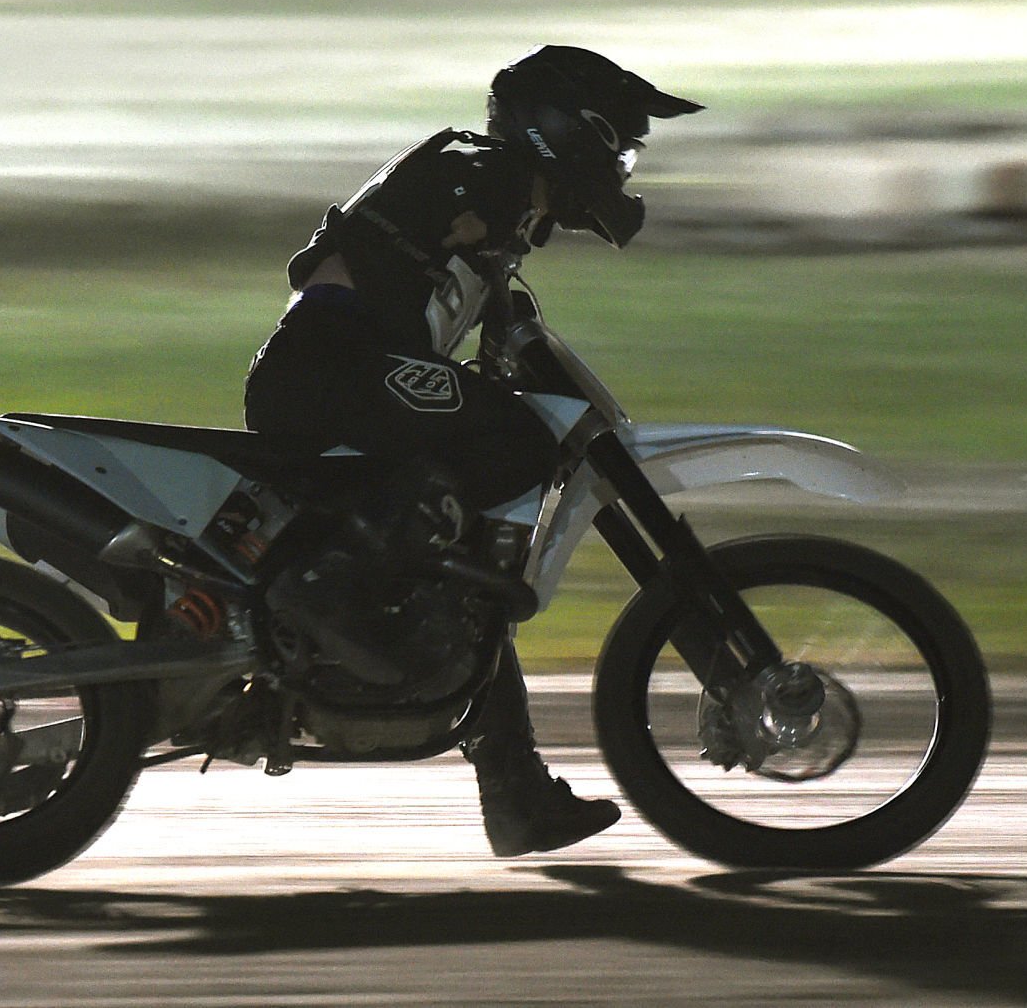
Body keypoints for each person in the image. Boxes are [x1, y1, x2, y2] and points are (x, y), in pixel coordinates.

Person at [243, 44, 703, 856]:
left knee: (469, 572)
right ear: (568, 131)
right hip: (328, 373)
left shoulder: (496, 202)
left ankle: (517, 795)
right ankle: (328, 589)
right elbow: (358, 262)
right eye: (620, 145)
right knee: (520, 438)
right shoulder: (477, 171)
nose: (625, 165)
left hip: (347, 373)